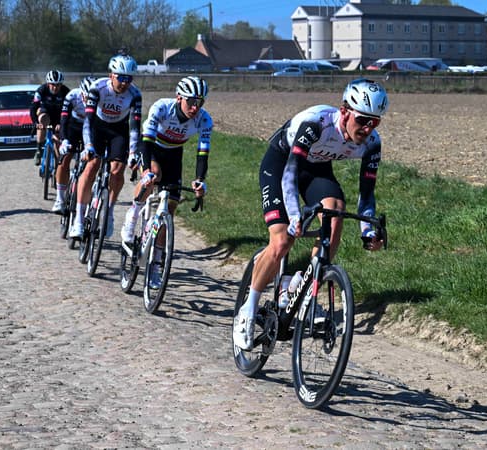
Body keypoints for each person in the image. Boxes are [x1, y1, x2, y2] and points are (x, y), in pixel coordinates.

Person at [232, 78, 389, 350]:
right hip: (281, 165)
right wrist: (294, 217)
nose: (367, 128)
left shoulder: (372, 143)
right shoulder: (316, 124)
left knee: (336, 213)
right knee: (282, 241)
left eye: (375, 122)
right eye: (363, 120)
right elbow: (290, 175)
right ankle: (247, 310)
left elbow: (367, 193)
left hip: (317, 169)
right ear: (344, 111)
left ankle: (303, 288)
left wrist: (368, 231)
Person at [120, 76, 212, 288]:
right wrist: (145, 172)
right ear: (179, 98)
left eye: (200, 102)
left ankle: (155, 265)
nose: (195, 107)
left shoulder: (204, 120)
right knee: (154, 175)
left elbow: (203, 153)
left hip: (174, 155)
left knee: (170, 208)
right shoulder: (162, 108)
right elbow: (146, 142)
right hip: (152, 149)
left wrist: (200, 181)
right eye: (191, 101)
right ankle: (133, 215)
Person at [69, 54, 142, 239]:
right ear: (111, 75)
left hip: (119, 130)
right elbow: (88, 121)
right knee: (92, 165)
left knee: (117, 171)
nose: (125, 83)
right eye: (121, 77)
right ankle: (78, 219)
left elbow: (134, 127)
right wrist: (88, 146)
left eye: (129, 78)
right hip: (97, 127)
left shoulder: (135, 95)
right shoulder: (98, 88)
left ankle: (108, 213)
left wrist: (133, 152)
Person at [51, 75, 95, 213]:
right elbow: (63, 120)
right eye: (85, 96)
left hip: (91, 126)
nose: (87, 100)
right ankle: (59, 199)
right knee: (64, 159)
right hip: (73, 126)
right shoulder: (72, 96)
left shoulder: (99, 99)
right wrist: (64, 140)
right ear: (81, 92)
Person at [30, 69, 70, 165]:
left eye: (58, 85)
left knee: (57, 143)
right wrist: (35, 123)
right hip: (46, 113)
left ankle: (57, 166)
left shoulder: (66, 91)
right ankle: (39, 149)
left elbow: (70, 111)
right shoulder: (41, 90)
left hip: (60, 116)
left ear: (61, 84)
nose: (55, 87)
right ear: (48, 83)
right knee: (42, 119)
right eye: (53, 84)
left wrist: (62, 124)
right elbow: (33, 108)